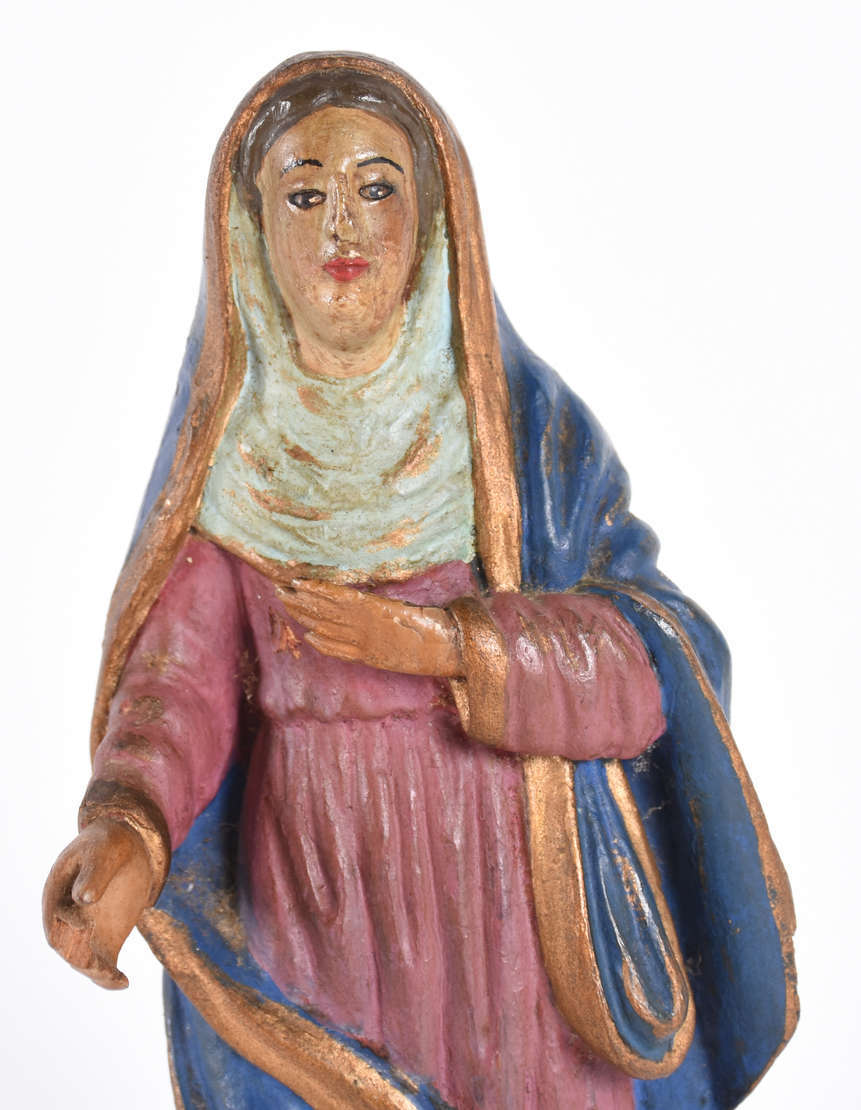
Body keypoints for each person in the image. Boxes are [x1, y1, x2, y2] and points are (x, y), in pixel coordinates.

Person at [43, 53, 797, 1109]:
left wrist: (451, 647)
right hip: (315, 900)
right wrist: (129, 827)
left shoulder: (520, 436)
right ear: (250, 234)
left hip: (512, 900)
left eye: (376, 187)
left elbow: (662, 656)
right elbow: (180, 683)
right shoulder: (232, 456)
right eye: (304, 194)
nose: (341, 225)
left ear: (434, 220)